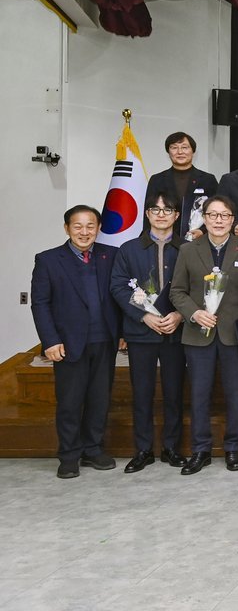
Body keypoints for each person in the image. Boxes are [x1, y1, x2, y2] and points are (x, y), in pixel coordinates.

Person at [169, 195, 238, 474]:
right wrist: (194, 313)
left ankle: (233, 448)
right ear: (204, 219)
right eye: (213, 215)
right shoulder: (188, 250)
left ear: (233, 220)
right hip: (198, 333)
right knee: (199, 394)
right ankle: (201, 450)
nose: (219, 220)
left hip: (234, 334)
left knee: (235, 393)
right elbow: (177, 292)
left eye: (225, 215)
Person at [31, 205, 121, 479]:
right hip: (67, 344)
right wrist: (50, 340)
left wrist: (123, 333)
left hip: (104, 340)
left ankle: (93, 450)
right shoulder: (48, 260)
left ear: (98, 228)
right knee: (70, 402)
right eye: (78, 226)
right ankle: (69, 456)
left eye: (90, 226)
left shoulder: (111, 255)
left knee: (99, 400)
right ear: (67, 228)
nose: (84, 232)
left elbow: (119, 296)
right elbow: (40, 304)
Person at [110, 191, 186, 473]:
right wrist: (144, 316)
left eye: (167, 210)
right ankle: (143, 449)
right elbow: (118, 287)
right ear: (147, 214)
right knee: (141, 392)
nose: (161, 214)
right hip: (141, 333)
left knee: (174, 392)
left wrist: (180, 315)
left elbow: (198, 287)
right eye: (155, 209)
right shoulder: (128, 249)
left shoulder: (187, 248)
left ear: (176, 215)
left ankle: (171, 447)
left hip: (176, 331)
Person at [144, 131, 219, 241]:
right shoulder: (157, 180)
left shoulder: (208, 180)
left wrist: (203, 231)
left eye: (184, 147)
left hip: (197, 240)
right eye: (174, 148)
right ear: (168, 152)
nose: (180, 152)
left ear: (193, 151)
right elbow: (149, 213)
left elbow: (217, 210)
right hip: (164, 239)